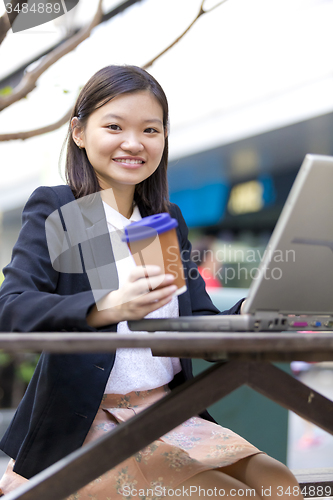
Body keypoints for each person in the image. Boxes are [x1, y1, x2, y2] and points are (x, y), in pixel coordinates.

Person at [0, 65, 302, 500]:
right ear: (79, 133)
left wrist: (252, 313)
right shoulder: (65, 208)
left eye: (150, 129)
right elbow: (12, 308)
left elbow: (196, 323)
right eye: (114, 126)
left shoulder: (163, 219)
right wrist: (107, 307)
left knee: (282, 485)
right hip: (89, 425)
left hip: (170, 412)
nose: (133, 143)